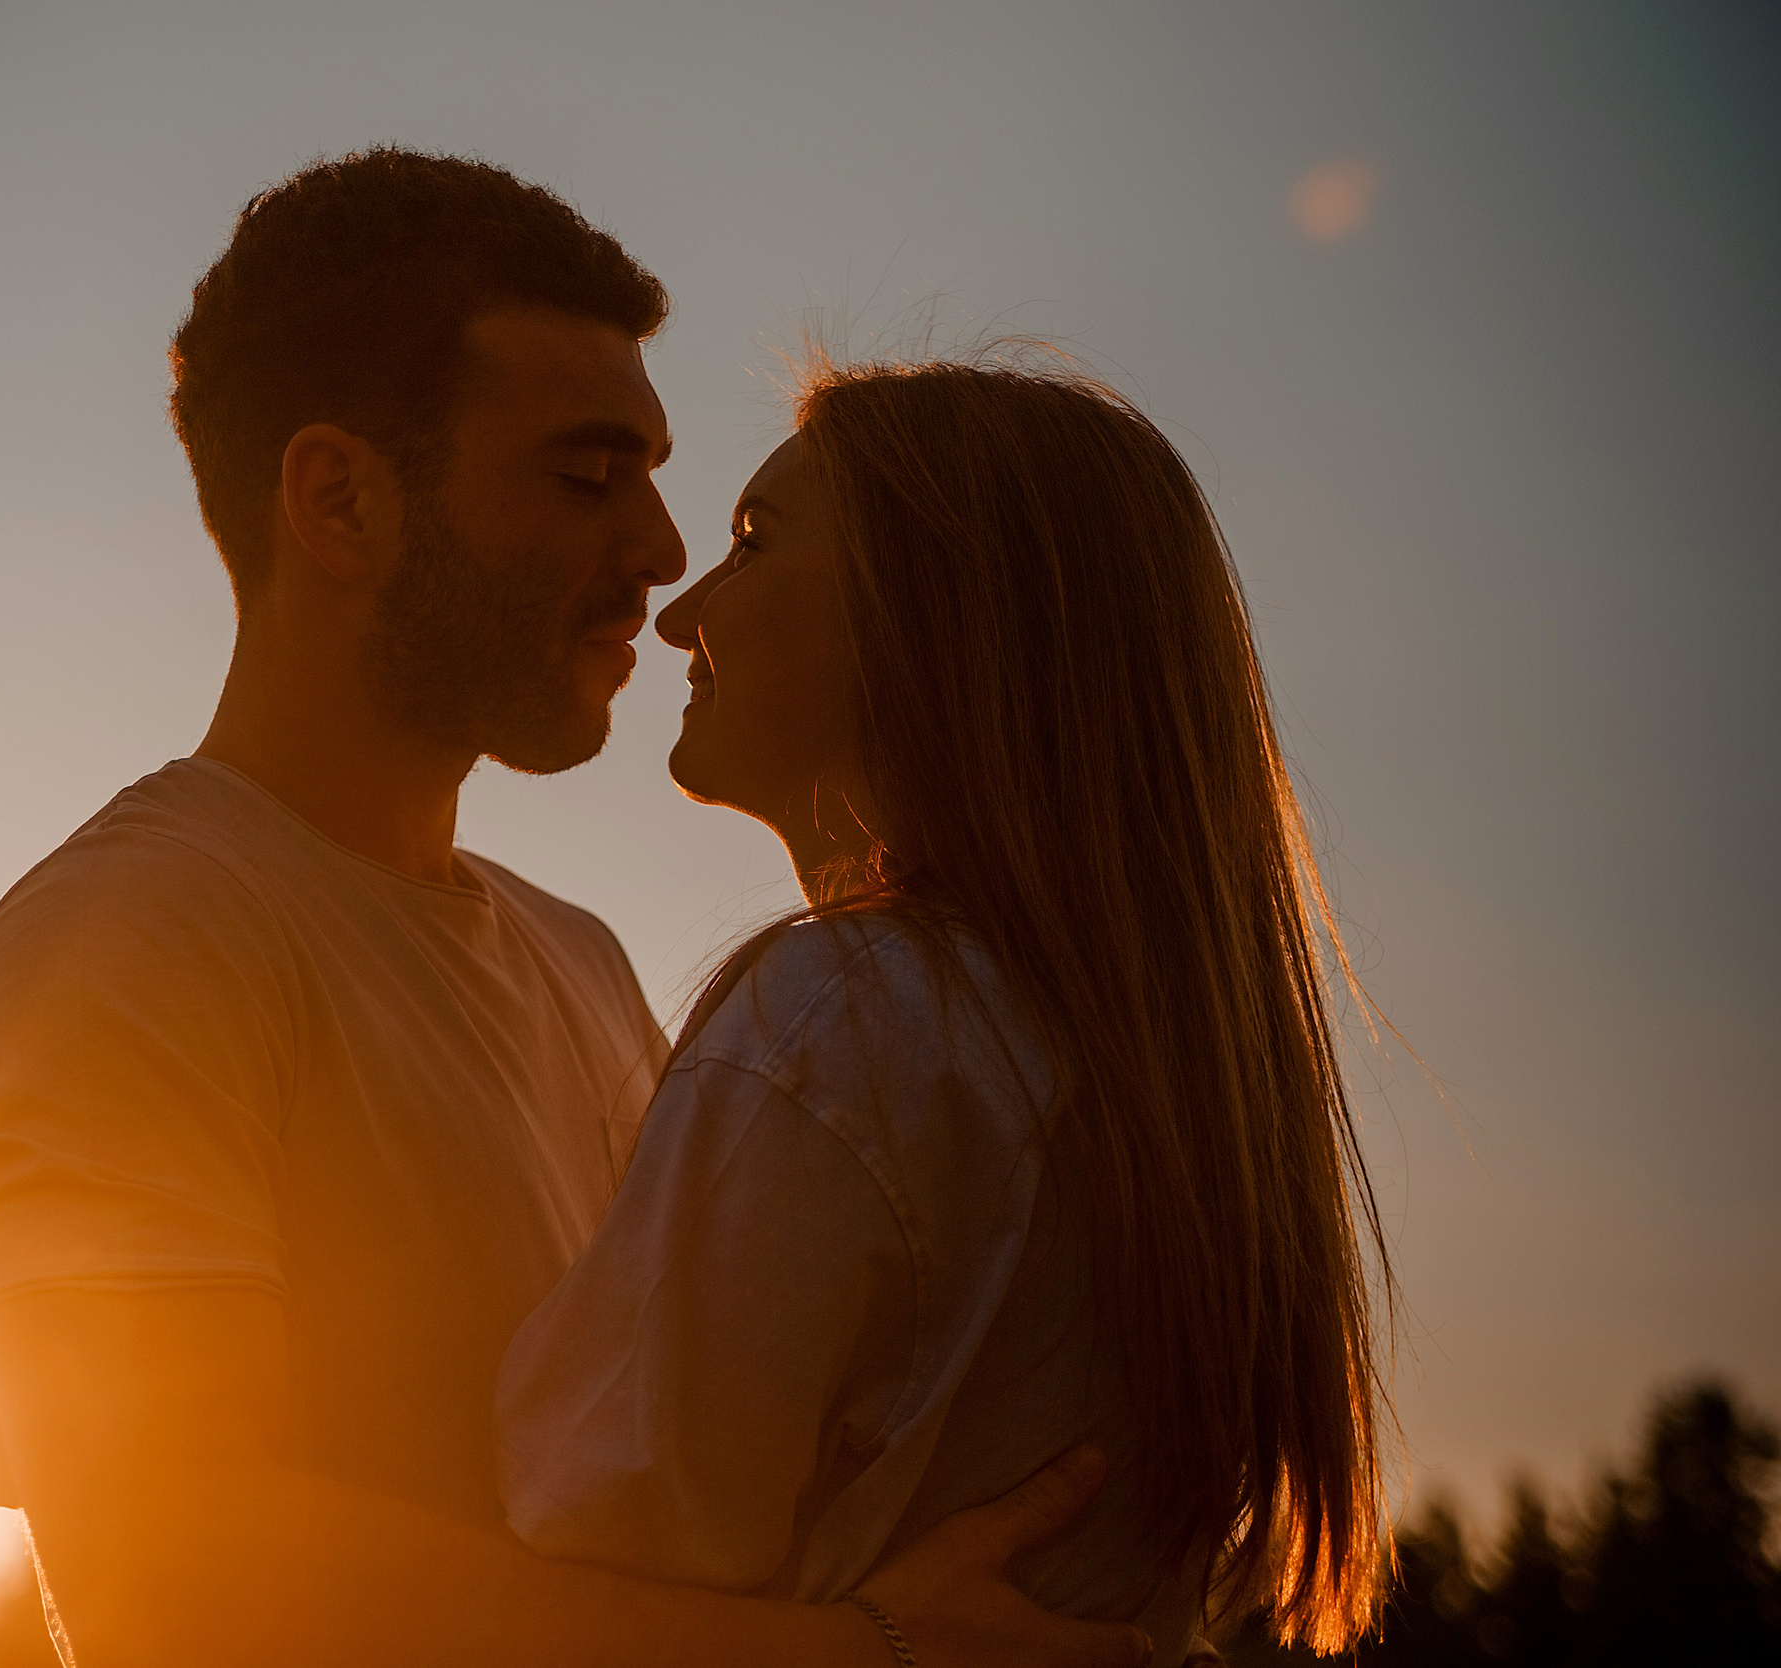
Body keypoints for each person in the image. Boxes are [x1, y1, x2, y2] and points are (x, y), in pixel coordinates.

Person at [0, 149, 1151, 1668]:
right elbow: (175, 1602)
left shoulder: (581, 956)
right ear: (341, 501)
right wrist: (867, 1656)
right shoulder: (136, 935)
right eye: (586, 477)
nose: (664, 554)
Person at [495, 362, 1394, 1662]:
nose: (683, 617)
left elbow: (578, 1579)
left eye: (753, 543)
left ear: (932, 613)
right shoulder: (1146, 1076)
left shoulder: (844, 1021)